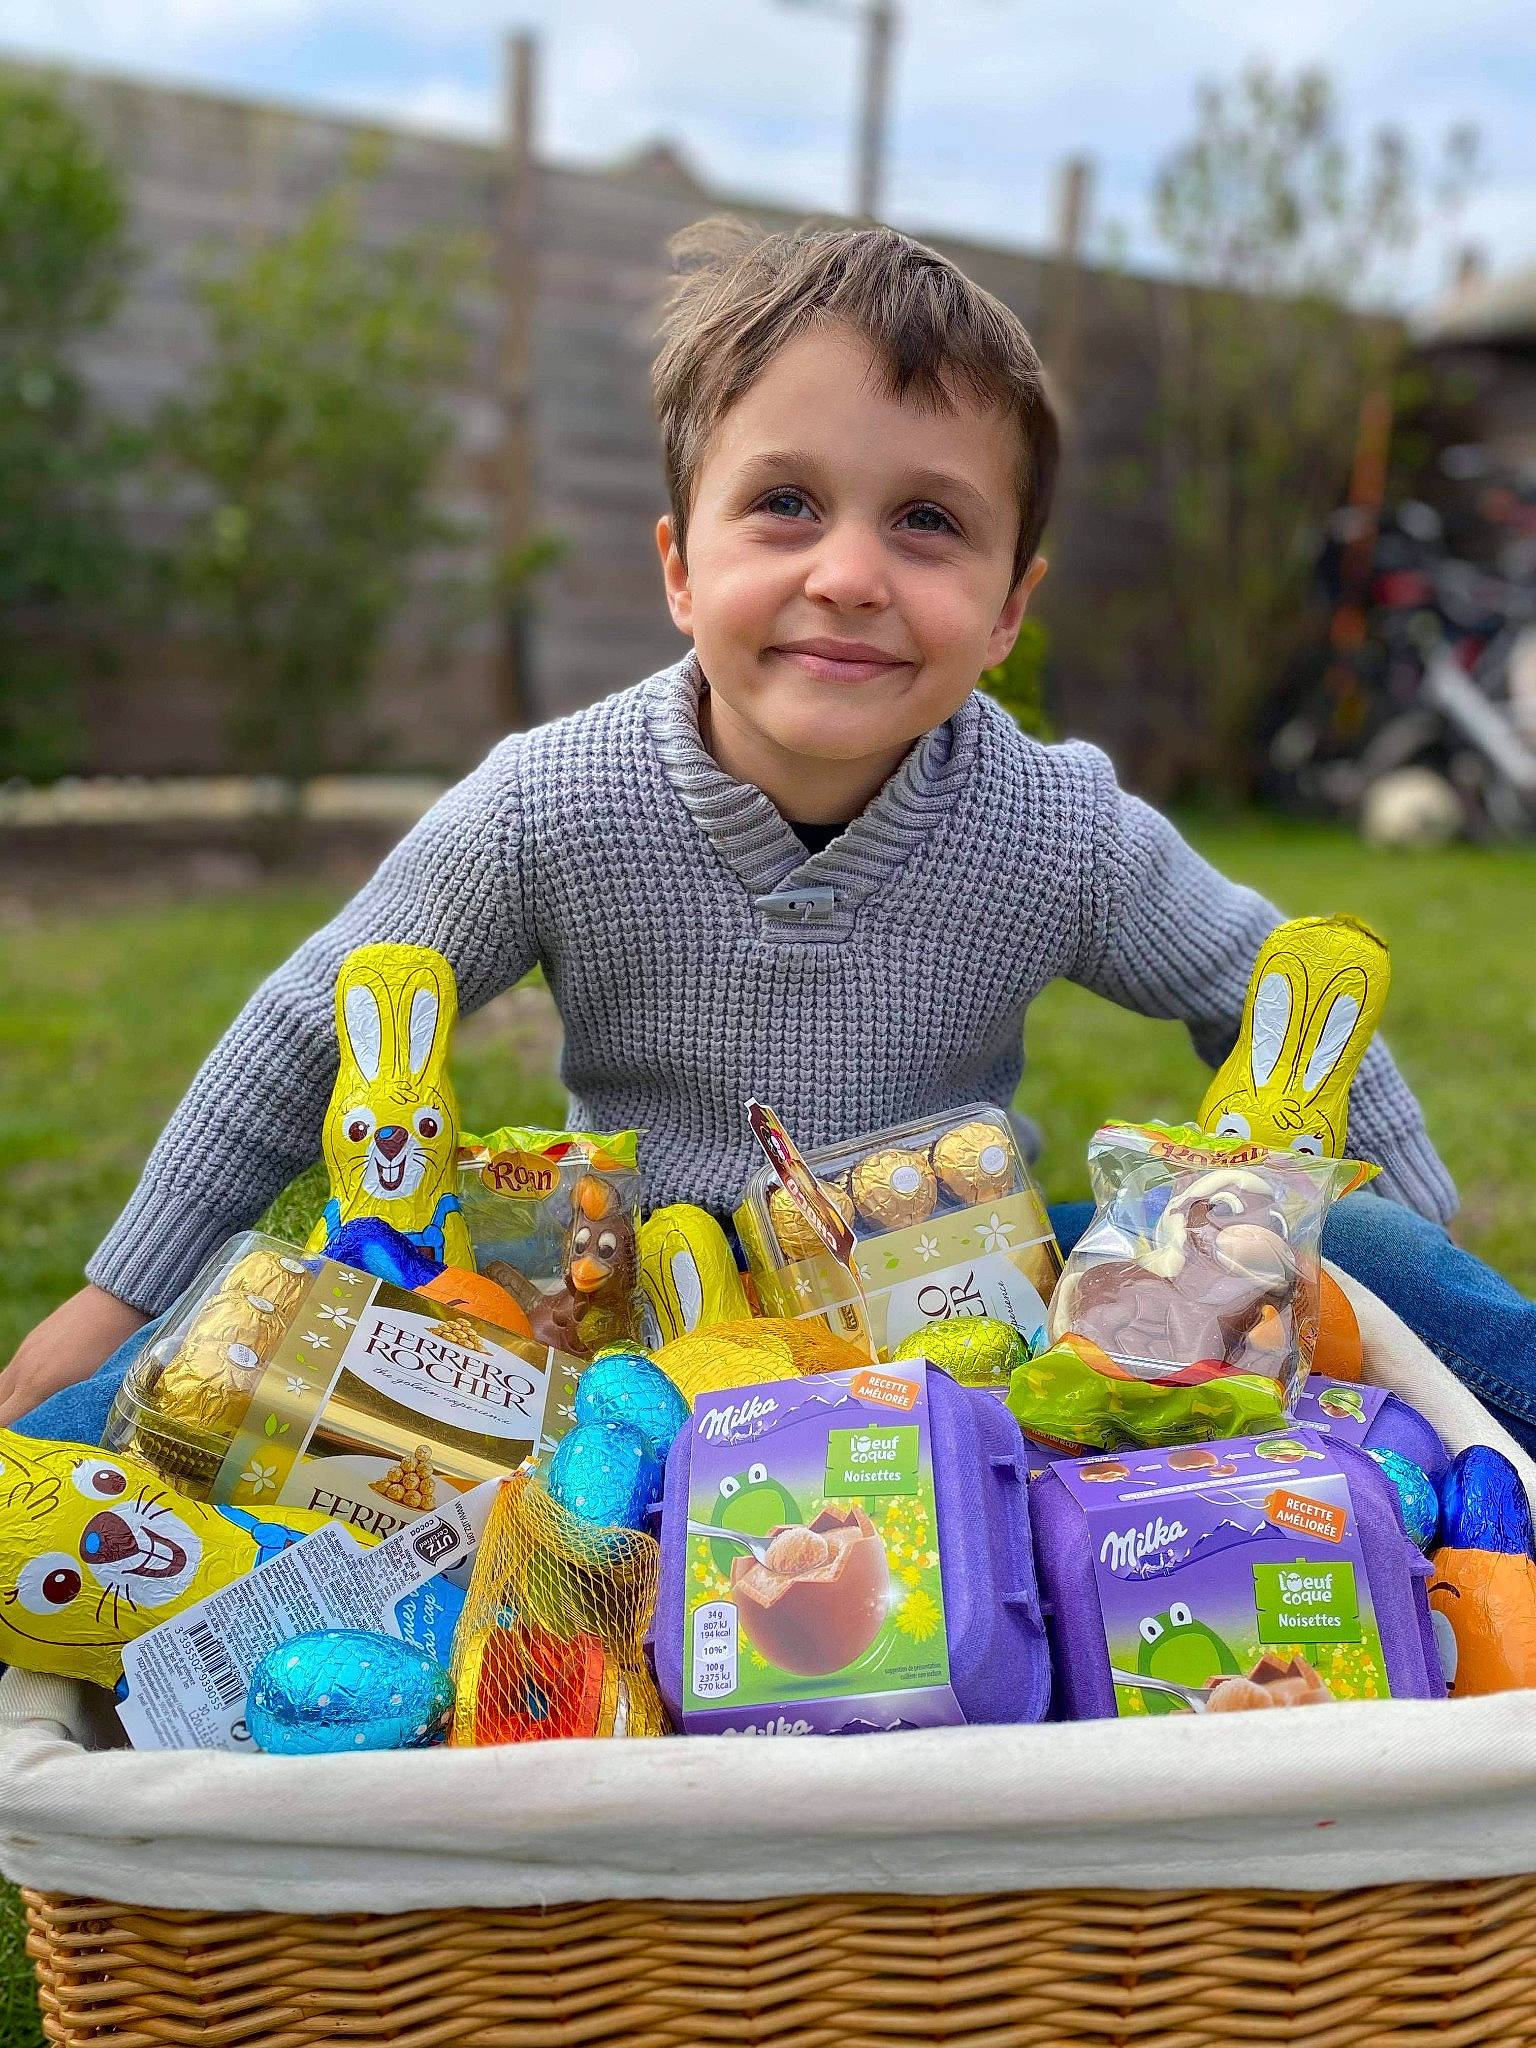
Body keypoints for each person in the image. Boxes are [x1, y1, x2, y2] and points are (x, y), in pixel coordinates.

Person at [6, 219, 1534, 1457]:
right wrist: (113, 1296)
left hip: (971, 1312)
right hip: (614, 1335)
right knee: (204, 1354)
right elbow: (311, 1023)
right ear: (682, 564)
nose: (852, 574)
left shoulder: (1055, 822)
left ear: (1009, 609)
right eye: (786, 504)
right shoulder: (551, 802)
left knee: (1398, 1275)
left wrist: (1389, 1257)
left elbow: (1277, 982)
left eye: (929, 522)